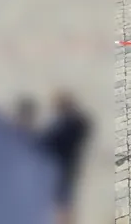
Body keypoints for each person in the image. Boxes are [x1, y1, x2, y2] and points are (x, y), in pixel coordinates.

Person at [40, 91, 90, 224]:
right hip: (68, 168)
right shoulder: (79, 123)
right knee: (65, 202)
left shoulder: (62, 129)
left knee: (61, 203)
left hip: (59, 170)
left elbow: (46, 143)